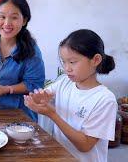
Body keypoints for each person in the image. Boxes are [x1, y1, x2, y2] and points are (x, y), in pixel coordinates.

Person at [24, 29, 117, 162]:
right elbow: (45, 95)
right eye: (64, 62)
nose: (67, 68)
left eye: (72, 62)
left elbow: (85, 145)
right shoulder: (65, 82)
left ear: (95, 60)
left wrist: (53, 114)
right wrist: (38, 99)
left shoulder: (105, 99)